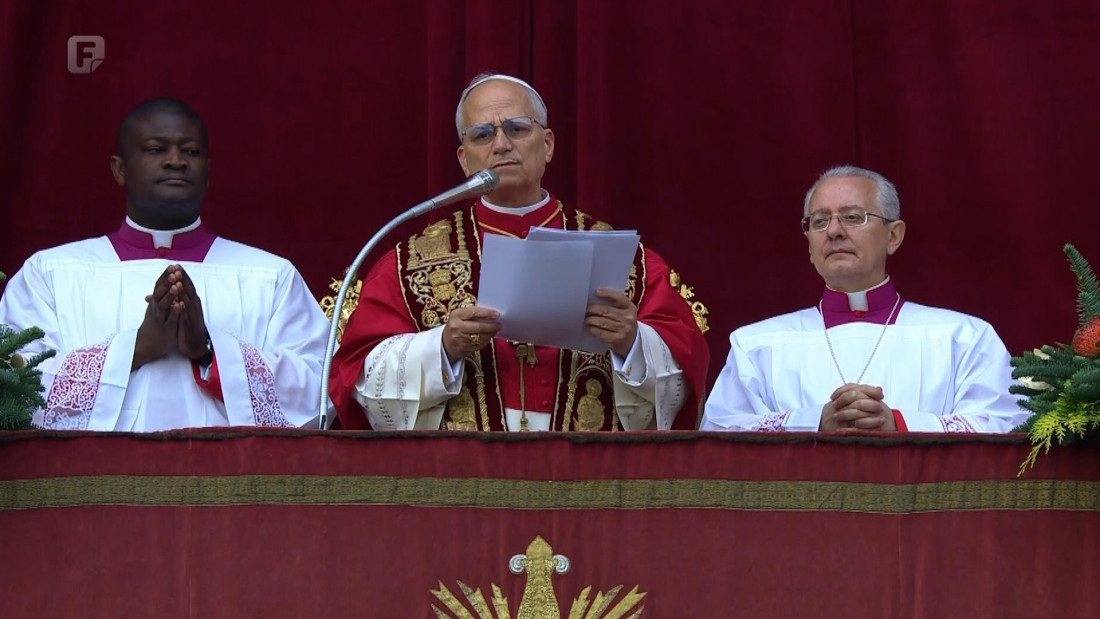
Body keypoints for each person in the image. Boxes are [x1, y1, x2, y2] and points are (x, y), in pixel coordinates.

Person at [329, 73, 709, 431]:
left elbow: (686, 365)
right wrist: (441, 347)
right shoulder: (409, 262)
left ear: (548, 145)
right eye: (482, 134)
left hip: (589, 466)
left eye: (517, 128)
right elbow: (358, 378)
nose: (500, 144)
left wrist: (633, 344)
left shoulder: (627, 259)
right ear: (464, 159)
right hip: (463, 471)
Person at [0, 98, 330, 431]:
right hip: (97, 468)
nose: (176, 161)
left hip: (229, 466)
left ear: (208, 171)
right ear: (119, 169)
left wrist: (208, 350)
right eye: (156, 149)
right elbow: (15, 385)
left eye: (191, 151)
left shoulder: (271, 277)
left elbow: (319, 388)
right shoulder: (49, 274)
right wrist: (135, 348)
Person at [700, 165, 1027, 433]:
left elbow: (1004, 425)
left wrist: (898, 424)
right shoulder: (755, 346)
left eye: (853, 217)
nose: (834, 231)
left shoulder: (965, 338)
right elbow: (719, 433)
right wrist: (813, 421)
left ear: (893, 236)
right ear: (809, 245)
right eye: (819, 221)